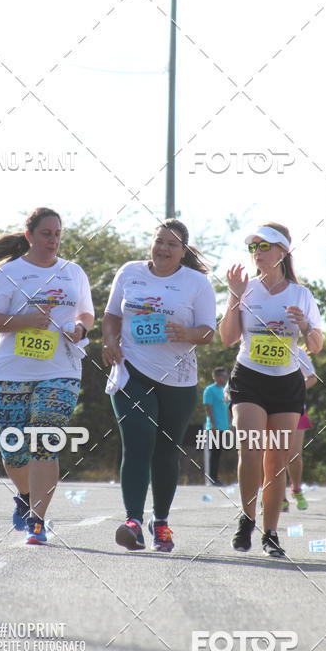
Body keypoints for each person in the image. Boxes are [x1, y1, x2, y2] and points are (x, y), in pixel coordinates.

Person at [0, 207, 94, 545]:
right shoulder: (9, 273)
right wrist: (25, 321)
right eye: (46, 234)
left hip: (61, 369)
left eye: (57, 234)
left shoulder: (73, 272)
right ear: (29, 236)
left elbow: (87, 313)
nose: (53, 241)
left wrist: (80, 328)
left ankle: (37, 521)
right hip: (11, 370)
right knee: (13, 449)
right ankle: (26, 496)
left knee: (45, 440)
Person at [103, 219, 217, 552]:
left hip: (177, 379)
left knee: (166, 452)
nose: (163, 249)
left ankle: (161, 522)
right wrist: (109, 341)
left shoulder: (196, 283)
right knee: (138, 444)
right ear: (151, 243)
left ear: (183, 251)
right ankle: (133, 522)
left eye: (172, 244)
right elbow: (112, 316)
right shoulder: (129, 272)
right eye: (159, 241)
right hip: (132, 372)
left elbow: (208, 332)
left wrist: (188, 333)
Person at [219, 223, 323, 558]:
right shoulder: (246, 288)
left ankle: (271, 532)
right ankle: (247, 518)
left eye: (264, 247)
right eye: (253, 247)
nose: (257, 253)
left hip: (286, 382)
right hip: (249, 378)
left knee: (277, 460)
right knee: (250, 449)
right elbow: (227, 338)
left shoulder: (301, 294)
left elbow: (316, 345)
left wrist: (304, 325)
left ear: (282, 252)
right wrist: (234, 296)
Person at [281, 347, 317, 512]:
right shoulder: (259, 341)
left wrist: (294, 390)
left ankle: (296, 489)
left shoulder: (296, 351)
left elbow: (312, 378)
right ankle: (279, 496)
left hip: (295, 408)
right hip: (270, 407)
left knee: (294, 455)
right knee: (275, 454)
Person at [203, 367, 230, 485]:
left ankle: (215, 477)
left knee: (218, 453)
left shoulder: (225, 390)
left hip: (223, 427)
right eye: (223, 376)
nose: (225, 378)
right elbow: (208, 408)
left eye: (226, 376)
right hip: (214, 427)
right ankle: (212, 478)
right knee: (213, 453)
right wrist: (213, 425)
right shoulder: (209, 390)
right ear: (217, 377)